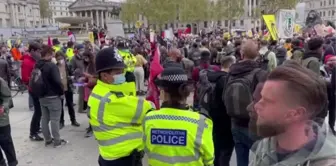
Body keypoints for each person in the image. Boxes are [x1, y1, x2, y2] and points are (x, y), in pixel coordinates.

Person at [249, 61, 336, 166]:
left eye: (267, 101)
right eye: (261, 97)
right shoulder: (265, 146)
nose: (256, 106)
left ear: (296, 114)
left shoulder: (326, 163)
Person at [88, 47, 154, 165]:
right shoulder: (112, 100)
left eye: (122, 71)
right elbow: (148, 109)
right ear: (104, 76)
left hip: (110, 155)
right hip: (123, 159)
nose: (122, 75)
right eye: (117, 72)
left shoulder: (99, 91)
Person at [143, 67, 214, 166]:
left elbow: (145, 149)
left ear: (163, 91)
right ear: (187, 92)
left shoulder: (149, 119)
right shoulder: (202, 122)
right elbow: (209, 159)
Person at [224, 39, 267, 166]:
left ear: (241, 54)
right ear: (257, 54)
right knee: (262, 160)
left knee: (241, 160)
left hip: (235, 122)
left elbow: (224, 96)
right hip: (255, 125)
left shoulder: (231, 72)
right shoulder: (260, 73)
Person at [36, 45, 67, 147]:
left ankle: (48, 139)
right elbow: (57, 81)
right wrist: (61, 92)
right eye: (52, 54)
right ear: (49, 55)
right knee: (55, 119)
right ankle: (57, 141)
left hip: (41, 96)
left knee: (44, 118)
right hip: (53, 96)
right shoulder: (51, 66)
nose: (54, 56)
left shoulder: (37, 65)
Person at [23, 42, 44, 141]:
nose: (40, 54)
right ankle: (33, 132)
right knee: (38, 111)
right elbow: (25, 78)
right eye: (38, 51)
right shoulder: (27, 62)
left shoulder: (36, 60)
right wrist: (35, 80)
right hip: (33, 89)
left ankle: (36, 127)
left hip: (38, 88)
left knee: (39, 111)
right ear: (32, 51)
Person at [55, 51, 80, 129]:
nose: (60, 60)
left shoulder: (68, 65)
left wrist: (71, 77)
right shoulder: (55, 66)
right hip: (60, 89)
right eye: (58, 59)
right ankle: (61, 122)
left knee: (70, 105)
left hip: (68, 87)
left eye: (61, 58)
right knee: (60, 106)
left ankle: (73, 120)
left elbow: (73, 74)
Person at [0, 77, 18, 166]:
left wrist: (3, 107)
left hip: (1, 119)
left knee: (6, 141)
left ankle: (12, 162)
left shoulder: (0, 81)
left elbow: (7, 97)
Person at [70, 44, 86, 113]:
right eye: (81, 50)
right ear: (77, 51)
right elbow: (71, 70)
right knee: (81, 94)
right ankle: (80, 109)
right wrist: (76, 72)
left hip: (86, 77)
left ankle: (85, 107)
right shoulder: (73, 59)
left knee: (87, 93)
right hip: (79, 78)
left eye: (83, 50)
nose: (82, 51)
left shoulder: (85, 57)